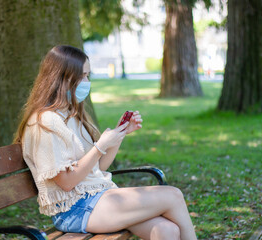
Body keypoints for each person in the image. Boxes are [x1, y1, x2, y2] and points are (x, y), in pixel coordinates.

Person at [14, 45, 197, 240]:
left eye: (88, 76)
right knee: (173, 196)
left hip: (96, 199)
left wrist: (118, 136)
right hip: (75, 210)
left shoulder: (70, 114)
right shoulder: (46, 122)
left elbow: (98, 168)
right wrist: (100, 146)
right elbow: (66, 183)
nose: (87, 82)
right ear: (62, 78)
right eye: (82, 76)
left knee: (167, 230)